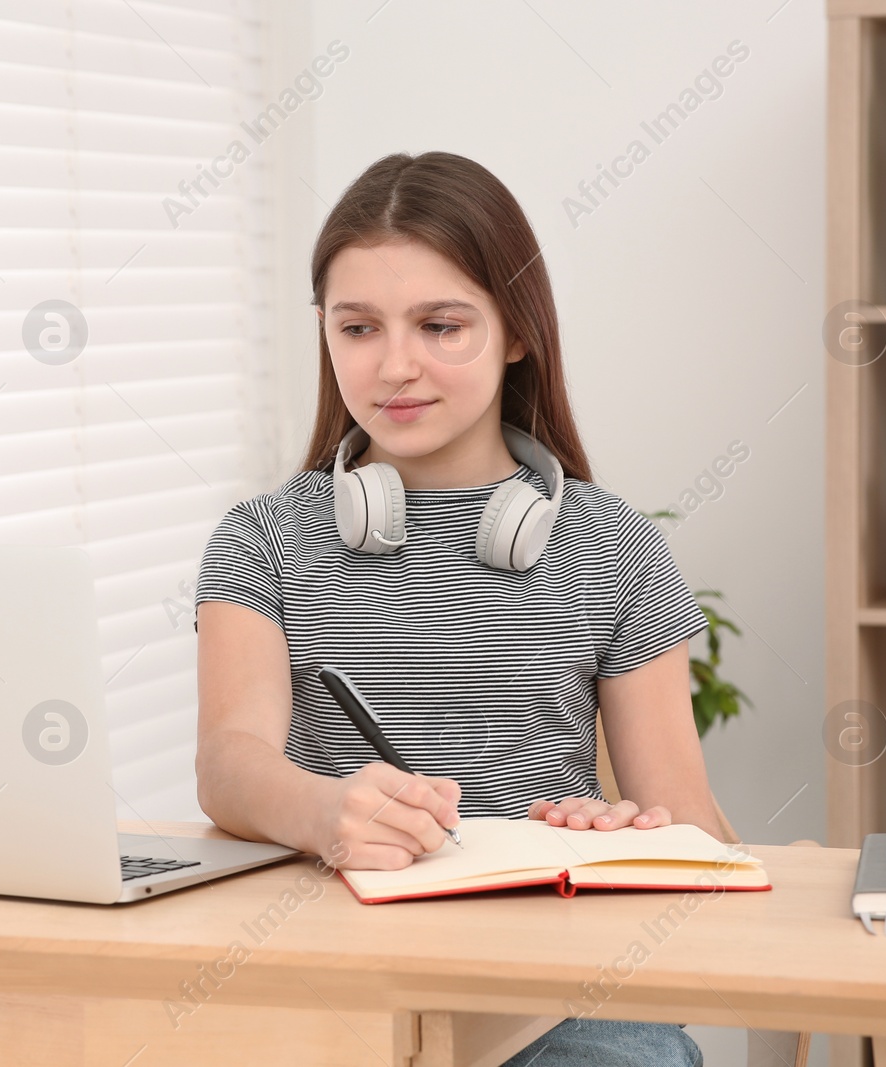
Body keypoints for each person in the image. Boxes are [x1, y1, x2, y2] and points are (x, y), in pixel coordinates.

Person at [192, 150, 715, 1067]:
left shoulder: (617, 547)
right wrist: (328, 814)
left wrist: (629, 831)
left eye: (441, 325)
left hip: (558, 993)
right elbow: (230, 768)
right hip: (333, 968)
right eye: (359, 328)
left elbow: (697, 831)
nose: (396, 365)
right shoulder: (263, 539)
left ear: (516, 333)